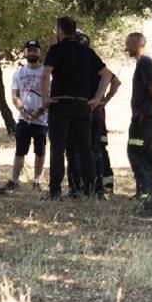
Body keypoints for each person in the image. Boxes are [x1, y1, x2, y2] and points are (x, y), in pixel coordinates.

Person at [41, 16, 115, 199]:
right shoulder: (87, 52)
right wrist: (97, 98)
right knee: (85, 148)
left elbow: (45, 75)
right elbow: (107, 75)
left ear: (60, 30)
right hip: (82, 105)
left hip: (61, 104)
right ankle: (89, 190)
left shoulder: (55, 50)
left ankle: (55, 191)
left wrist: (45, 99)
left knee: (58, 149)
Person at [71, 31, 122, 196]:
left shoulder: (79, 63)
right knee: (97, 148)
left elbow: (115, 82)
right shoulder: (96, 63)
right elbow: (115, 81)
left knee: (82, 149)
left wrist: (104, 99)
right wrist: (103, 100)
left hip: (84, 111)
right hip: (97, 112)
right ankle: (101, 186)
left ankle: (84, 186)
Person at [125, 32, 152, 200]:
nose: (126, 47)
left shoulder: (145, 63)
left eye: (128, 43)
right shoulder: (142, 63)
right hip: (144, 114)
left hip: (143, 116)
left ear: (136, 43)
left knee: (135, 150)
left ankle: (144, 190)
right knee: (146, 151)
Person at [5, 40, 47, 191]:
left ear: (40, 52)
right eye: (29, 50)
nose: (32, 53)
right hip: (23, 119)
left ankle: (37, 181)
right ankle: (14, 181)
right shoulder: (19, 73)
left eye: (35, 50)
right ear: (25, 53)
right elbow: (14, 96)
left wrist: (39, 111)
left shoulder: (45, 72)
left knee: (40, 151)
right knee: (20, 150)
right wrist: (22, 110)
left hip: (41, 119)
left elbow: (50, 97)